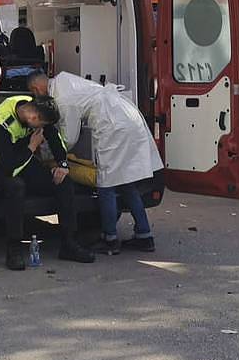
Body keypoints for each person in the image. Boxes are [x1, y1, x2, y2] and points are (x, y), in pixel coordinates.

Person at [29, 72, 160, 256]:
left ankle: (110, 239)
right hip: (127, 118)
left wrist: (46, 154)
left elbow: (69, 138)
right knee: (126, 182)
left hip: (113, 126)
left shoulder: (62, 98)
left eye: (34, 93)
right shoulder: (63, 81)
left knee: (106, 185)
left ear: (36, 89)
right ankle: (144, 236)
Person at [0, 93, 95, 270]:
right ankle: (14, 249)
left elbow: (53, 136)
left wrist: (63, 164)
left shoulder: (34, 108)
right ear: (33, 118)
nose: (42, 129)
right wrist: (32, 146)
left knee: (63, 182)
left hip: (24, 160)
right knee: (16, 187)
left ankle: (69, 243)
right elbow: (10, 168)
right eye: (41, 125)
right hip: (0, 168)